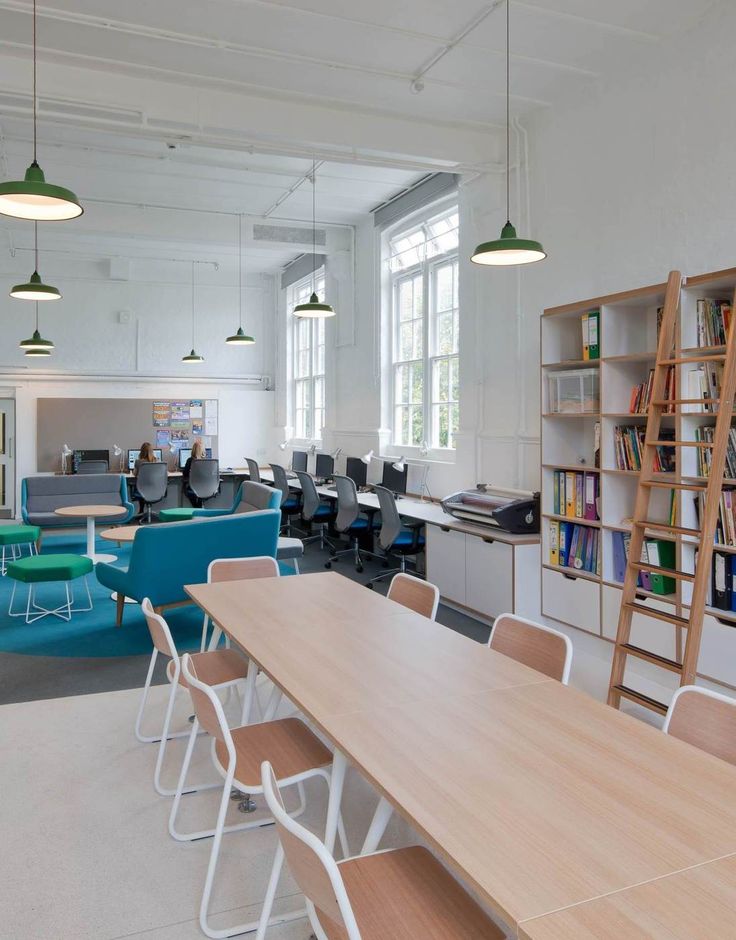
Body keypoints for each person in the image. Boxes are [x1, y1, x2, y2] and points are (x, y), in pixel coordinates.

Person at [133, 442, 159, 516]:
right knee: (145, 488)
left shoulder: (138, 462)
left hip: (142, 489)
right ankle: (142, 511)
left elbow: (135, 474)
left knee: (141, 488)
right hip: (155, 488)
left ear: (141, 451)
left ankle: (141, 510)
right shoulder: (156, 461)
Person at [182, 439, 206, 508]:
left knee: (191, 493)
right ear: (202, 451)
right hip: (205, 488)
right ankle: (199, 508)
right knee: (200, 494)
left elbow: (185, 474)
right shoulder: (206, 461)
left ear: (193, 450)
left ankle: (197, 508)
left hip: (192, 487)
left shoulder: (190, 460)